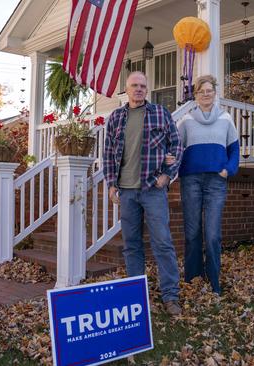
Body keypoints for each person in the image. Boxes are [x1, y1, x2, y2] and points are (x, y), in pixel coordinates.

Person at [103, 71, 184, 315]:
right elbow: (108, 153)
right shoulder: (116, 117)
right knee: (131, 245)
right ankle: (135, 296)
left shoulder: (160, 113)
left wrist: (167, 174)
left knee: (163, 243)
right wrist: (110, 183)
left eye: (142, 86)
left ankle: (170, 296)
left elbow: (176, 145)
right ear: (126, 90)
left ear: (147, 90)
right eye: (134, 85)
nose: (138, 89)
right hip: (126, 191)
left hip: (152, 189)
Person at [169, 74, 239, 295]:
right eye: (201, 91)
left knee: (213, 234)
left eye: (209, 91)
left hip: (216, 181)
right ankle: (192, 278)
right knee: (192, 232)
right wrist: (168, 164)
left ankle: (214, 281)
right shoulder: (186, 121)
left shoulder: (226, 119)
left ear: (215, 93)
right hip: (191, 180)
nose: (206, 94)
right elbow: (175, 147)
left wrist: (229, 169)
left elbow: (234, 149)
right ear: (196, 95)